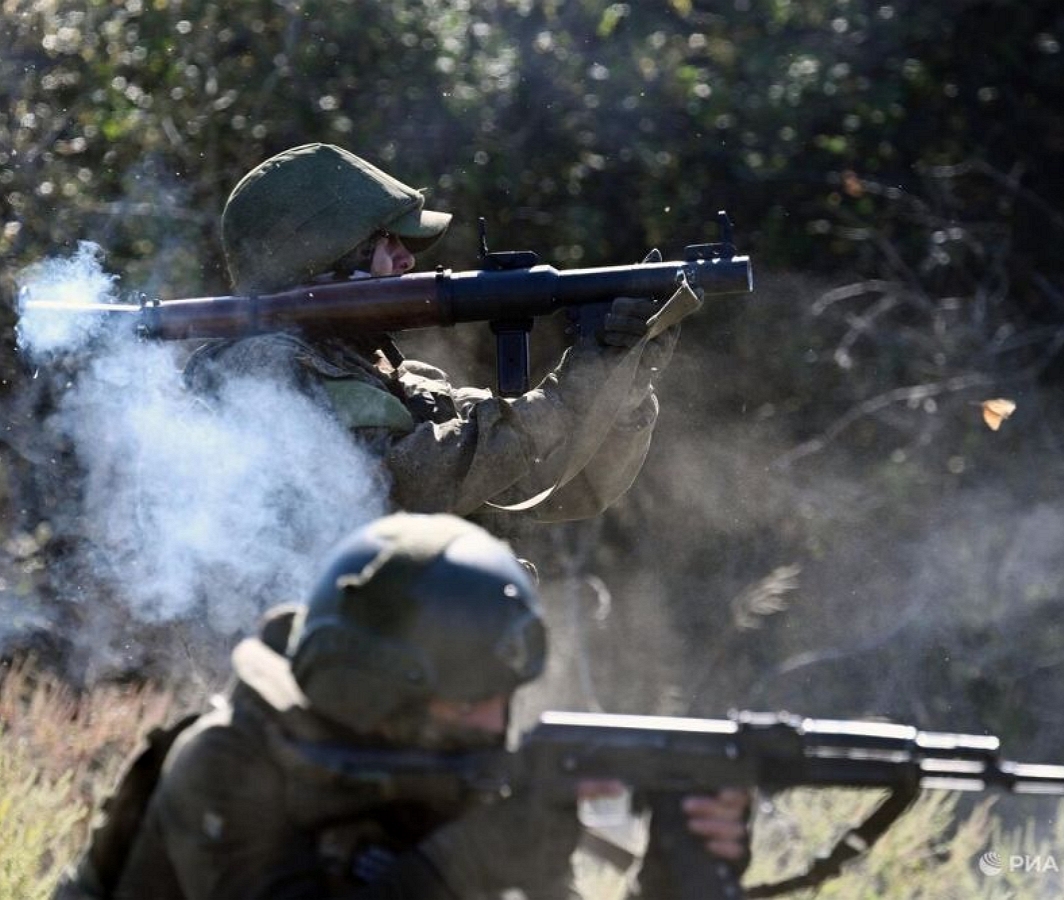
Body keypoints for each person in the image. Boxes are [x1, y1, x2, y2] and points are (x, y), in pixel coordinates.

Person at [59, 512, 749, 899]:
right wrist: (463, 862)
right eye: (469, 703)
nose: (494, 726)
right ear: (377, 694)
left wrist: (669, 879)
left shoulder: (458, 781)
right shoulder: (231, 762)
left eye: (503, 699)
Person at [185, 143, 688, 526]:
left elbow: (551, 487)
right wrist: (566, 395)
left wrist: (621, 384)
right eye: (384, 244)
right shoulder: (258, 370)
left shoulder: (398, 379)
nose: (407, 260)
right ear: (324, 262)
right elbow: (401, 488)